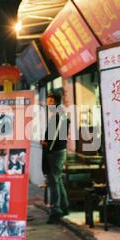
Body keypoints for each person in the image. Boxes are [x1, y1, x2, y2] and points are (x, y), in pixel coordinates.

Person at [42, 92, 70, 224]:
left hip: (55, 152)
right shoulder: (62, 116)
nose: (48, 104)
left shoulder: (56, 117)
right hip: (60, 151)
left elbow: (54, 139)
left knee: (53, 180)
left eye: (51, 101)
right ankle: (64, 207)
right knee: (57, 179)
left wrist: (45, 142)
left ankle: (56, 210)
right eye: (47, 101)